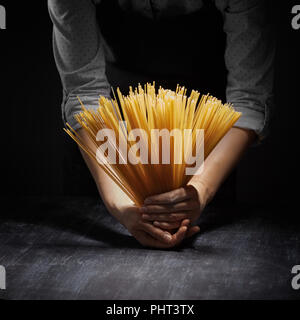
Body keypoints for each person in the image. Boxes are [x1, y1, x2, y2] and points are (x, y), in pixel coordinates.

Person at [48, 0, 275, 248]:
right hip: (105, 140)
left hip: (206, 141)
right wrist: (119, 204)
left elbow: (248, 100)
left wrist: (200, 189)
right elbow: (85, 94)